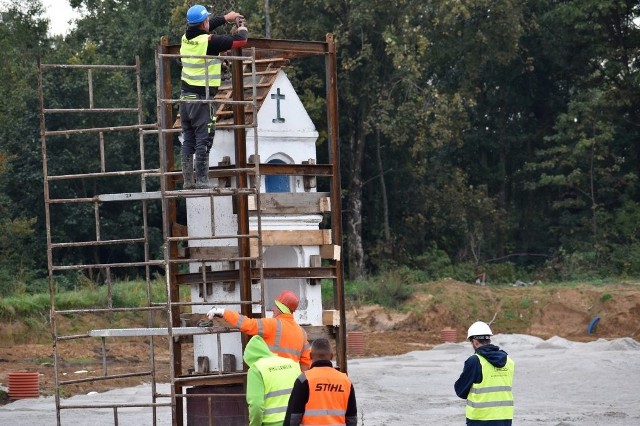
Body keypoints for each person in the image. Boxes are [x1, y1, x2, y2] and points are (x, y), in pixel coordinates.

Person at [179, 4, 248, 189]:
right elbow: (240, 41)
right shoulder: (209, 42)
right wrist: (242, 27)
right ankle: (201, 180)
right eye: (208, 20)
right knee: (204, 139)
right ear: (204, 23)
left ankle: (188, 181)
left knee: (189, 139)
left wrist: (226, 18)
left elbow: (208, 27)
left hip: (185, 98)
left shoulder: (186, 38)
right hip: (202, 99)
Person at [207, 290, 312, 369]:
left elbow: (247, 324)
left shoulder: (272, 324)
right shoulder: (302, 333)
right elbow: (306, 363)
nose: (273, 309)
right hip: (291, 384)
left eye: (275, 306)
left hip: (271, 380)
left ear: (279, 308)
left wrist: (223, 312)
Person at [283, 338, 357, 426]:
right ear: (331, 356)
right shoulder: (345, 381)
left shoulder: (304, 379)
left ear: (310, 356)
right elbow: (352, 419)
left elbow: (293, 419)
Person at [454, 321, 515, 426]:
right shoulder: (508, 361)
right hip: (505, 417)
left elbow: (460, 391)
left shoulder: (475, 361)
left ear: (475, 341)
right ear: (489, 339)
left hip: (481, 419)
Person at [244, 335, 301, 426]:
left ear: (249, 357)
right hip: (295, 421)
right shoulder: (291, 363)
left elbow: (256, 405)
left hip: (271, 423)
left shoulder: (256, 368)